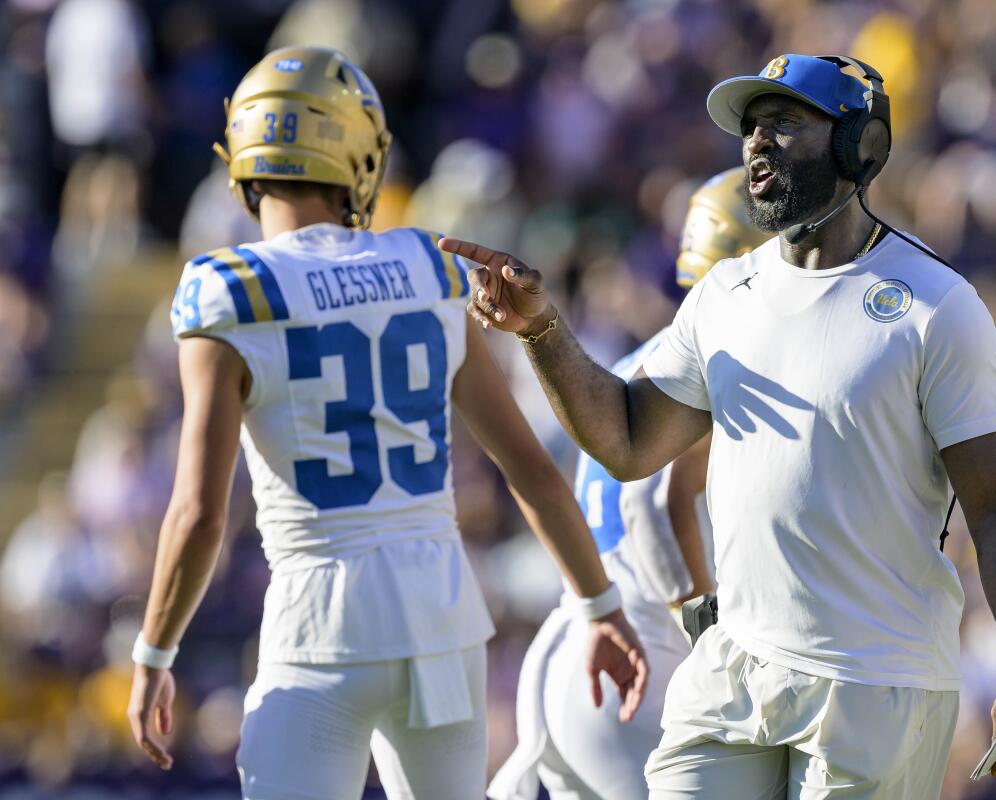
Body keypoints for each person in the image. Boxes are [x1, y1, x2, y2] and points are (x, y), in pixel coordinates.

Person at [442, 53, 996, 799]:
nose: (756, 145)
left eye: (784, 124)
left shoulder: (937, 305)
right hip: (732, 670)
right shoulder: (723, 295)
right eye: (752, 128)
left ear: (858, 145)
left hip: (875, 681)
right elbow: (629, 442)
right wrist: (540, 329)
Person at [125, 46, 647, 800]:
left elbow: (201, 514)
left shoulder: (227, 288)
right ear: (359, 154)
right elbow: (529, 467)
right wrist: (599, 606)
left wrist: (153, 650)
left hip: (319, 629)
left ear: (244, 156)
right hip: (441, 620)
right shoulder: (426, 265)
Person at [488, 169, 768, 800]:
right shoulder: (717, 363)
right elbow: (647, 503)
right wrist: (710, 640)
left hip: (591, 652)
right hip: (645, 670)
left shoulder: (652, 355)